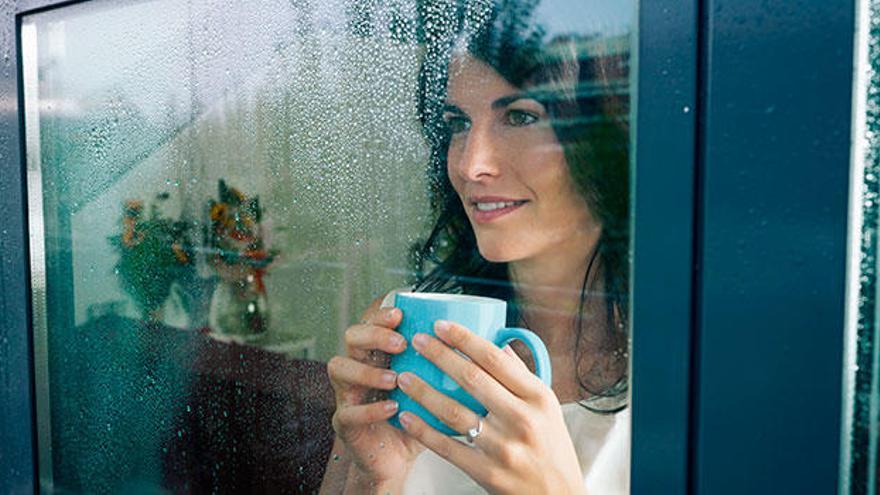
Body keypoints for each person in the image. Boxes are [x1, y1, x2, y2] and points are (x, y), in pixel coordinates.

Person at [320, 3, 630, 493]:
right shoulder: (398, 331)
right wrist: (374, 478)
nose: (471, 165)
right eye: (458, 123)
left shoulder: (678, 377)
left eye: (521, 117)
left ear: (600, 140)